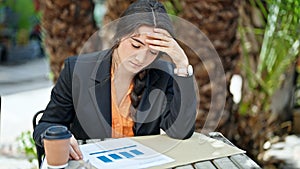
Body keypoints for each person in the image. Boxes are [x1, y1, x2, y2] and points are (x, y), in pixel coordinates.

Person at [33, 0, 197, 161]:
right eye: (135, 45)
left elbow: (180, 131)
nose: (141, 58)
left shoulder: (162, 74)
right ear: (119, 36)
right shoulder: (77, 69)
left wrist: (182, 65)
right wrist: (57, 136)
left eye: (153, 52)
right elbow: (46, 124)